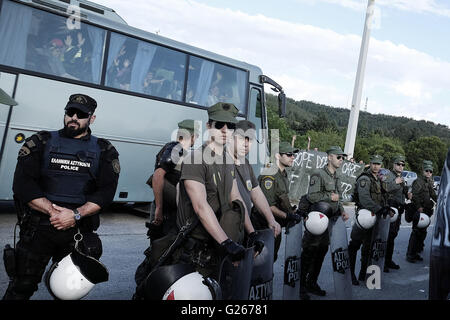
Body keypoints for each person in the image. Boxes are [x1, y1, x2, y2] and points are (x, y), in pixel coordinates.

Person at [2, 94, 120, 300]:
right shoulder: (40, 141)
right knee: (21, 287)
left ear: (91, 119)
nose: (73, 117)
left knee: (68, 293)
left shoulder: (104, 150)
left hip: (78, 232)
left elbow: (106, 192)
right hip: (39, 229)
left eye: (81, 114)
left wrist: (74, 215)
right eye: (70, 112)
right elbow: (23, 184)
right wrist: (53, 211)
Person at [172, 102, 259, 280]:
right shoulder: (196, 159)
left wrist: (252, 232)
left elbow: (236, 198)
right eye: (219, 124)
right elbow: (200, 206)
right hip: (196, 250)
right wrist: (226, 243)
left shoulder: (227, 160)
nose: (225, 130)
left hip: (219, 244)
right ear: (209, 126)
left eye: (231, 126)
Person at [300, 146, 349, 299]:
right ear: (329, 157)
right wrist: (329, 197)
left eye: (343, 158)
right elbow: (312, 196)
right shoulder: (319, 174)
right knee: (309, 252)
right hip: (317, 220)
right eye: (339, 157)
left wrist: (342, 209)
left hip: (329, 221)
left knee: (321, 252)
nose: (341, 160)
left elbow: (338, 197)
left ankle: (312, 283)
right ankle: (300, 287)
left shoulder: (337, 176)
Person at [146, 119, 199, 239]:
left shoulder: (177, 149)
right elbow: (158, 175)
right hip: (165, 211)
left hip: (166, 208)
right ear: (192, 136)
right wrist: (159, 208)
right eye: (196, 136)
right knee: (161, 246)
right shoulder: (176, 150)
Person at [229, 120, 281, 239]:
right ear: (232, 138)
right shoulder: (222, 162)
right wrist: (252, 232)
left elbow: (256, 193)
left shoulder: (246, 164)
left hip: (241, 229)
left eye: (250, 140)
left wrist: (271, 220)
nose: (246, 144)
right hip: (225, 231)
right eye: (242, 138)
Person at [251, 141, 302, 262]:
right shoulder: (270, 175)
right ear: (278, 156)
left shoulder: (283, 173)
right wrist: (287, 215)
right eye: (289, 154)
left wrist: (294, 211)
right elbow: (267, 206)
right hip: (263, 225)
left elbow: (281, 199)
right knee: (261, 261)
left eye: (293, 154)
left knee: (271, 258)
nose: (293, 157)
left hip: (275, 226)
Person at [348, 154, 388, 285]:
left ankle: (363, 274)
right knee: (354, 246)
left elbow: (382, 197)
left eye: (378, 164)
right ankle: (350, 275)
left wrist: (386, 208)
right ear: (370, 164)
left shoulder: (378, 179)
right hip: (364, 217)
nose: (376, 166)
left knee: (368, 247)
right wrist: (379, 209)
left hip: (374, 216)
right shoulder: (365, 179)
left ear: (381, 165)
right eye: (374, 163)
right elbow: (364, 199)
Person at [406, 160, 437, 263]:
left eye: (430, 171)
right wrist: (419, 207)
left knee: (422, 233)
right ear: (422, 171)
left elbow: (433, 194)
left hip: (426, 211)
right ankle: (410, 255)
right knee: (416, 233)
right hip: (419, 211)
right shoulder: (418, 181)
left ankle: (416, 252)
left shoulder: (429, 182)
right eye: (426, 170)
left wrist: (440, 201)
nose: (428, 173)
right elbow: (414, 196)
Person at [383, 155, 410, 271]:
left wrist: (407, 194)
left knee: (393, 235)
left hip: (398, 208)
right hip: (391, 208)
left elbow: (402, 193)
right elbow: (384, 188)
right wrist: (395, 182)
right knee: (387, 236)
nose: (400, 166)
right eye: (398, 164)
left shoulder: (401, 178)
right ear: (394, 165)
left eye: (402, 165)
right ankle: (382, 262)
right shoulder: (389, 175)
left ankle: (388, 260)